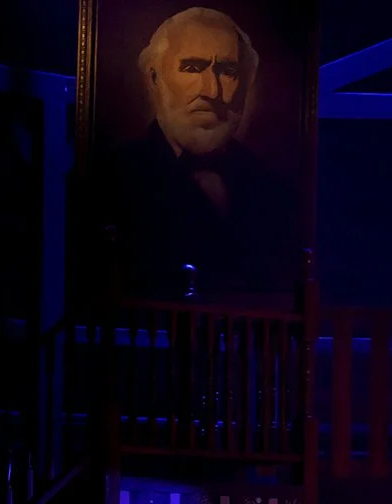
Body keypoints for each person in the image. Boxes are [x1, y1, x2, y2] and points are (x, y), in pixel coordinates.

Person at [103, 7, 297, 298]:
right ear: (154, 78)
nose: (212, 90)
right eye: (192, 68)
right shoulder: (111, 176)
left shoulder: (273, 189)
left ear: (245, 85)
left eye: (228, 72)